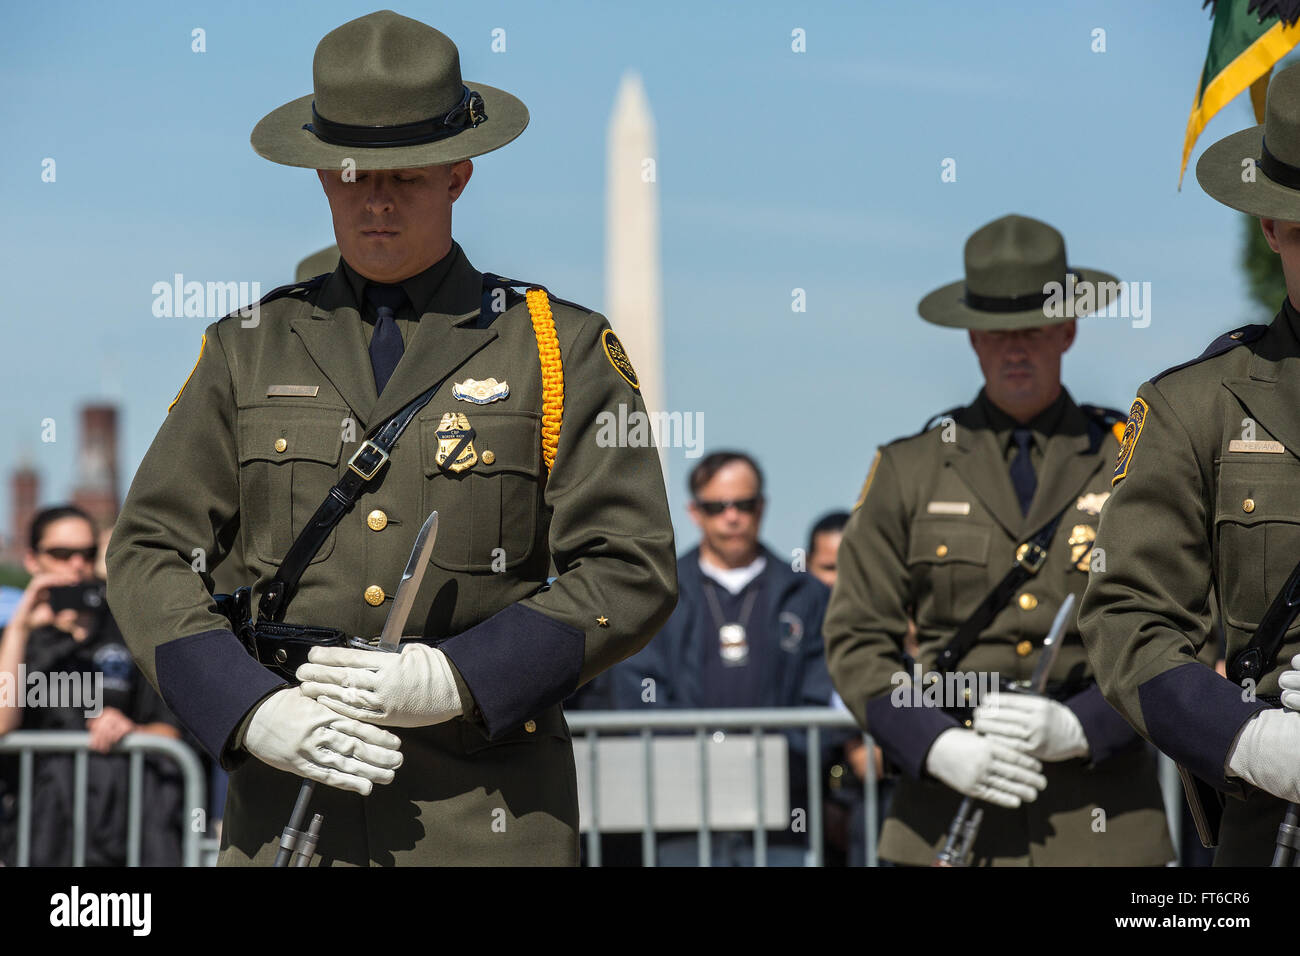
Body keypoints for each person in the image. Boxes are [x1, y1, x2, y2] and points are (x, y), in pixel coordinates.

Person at [106, 10, 677, 866]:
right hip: (289, 808)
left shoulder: (559, 350)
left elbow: (630, 567)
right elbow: (149, 549)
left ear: (458, 172)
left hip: (484, 812)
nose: (375, 199)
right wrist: (249, 709)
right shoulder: (247, 346)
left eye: (405, 176)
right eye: (349, 174)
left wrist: (460, 678)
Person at [823, 214, 1174, 866]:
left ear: (1068, 330)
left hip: (1101, 821)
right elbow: (855, 640)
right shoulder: (909, 468)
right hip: (945, 817)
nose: (1016, 348)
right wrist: (933, 744)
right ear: (972, 339)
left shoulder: (1133, 460)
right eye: (996, 331)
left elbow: (1181, 623)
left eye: (1035, 329)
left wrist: (1085, 725)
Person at [1079, 62, 1300, 866]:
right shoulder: (1194, 406)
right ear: (1270, 228)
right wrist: (1251, 738)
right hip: (1279, 822)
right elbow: (1127, 616)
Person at [610, 451, 832, 865]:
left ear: (760, 507)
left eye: (743, 505)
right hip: (684, 811)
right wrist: (700, 758)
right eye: (717, 507)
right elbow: (636, 689)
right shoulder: (659, 595)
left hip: (784, 808)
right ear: (695, 512)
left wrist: (775, 757)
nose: (731, 517)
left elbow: (824, 691)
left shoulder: (806, 594)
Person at [0, 505, 183, 865]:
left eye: (85, 553)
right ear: (32, 559)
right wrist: (21, 627)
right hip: (40, 835)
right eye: (60, 554)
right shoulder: (16, 639)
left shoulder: (128, 627)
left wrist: (131, 730)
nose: (76, 565)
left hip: (127, 832)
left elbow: (171, 730)